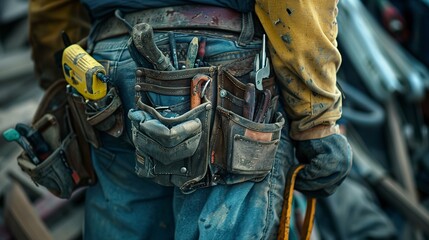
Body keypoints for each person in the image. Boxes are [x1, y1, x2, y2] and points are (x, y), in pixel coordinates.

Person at [28, 0, 352, 239]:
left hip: (109, 65)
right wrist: (316, 119)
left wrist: (59, 85)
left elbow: (50, 8)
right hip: (220, 57)